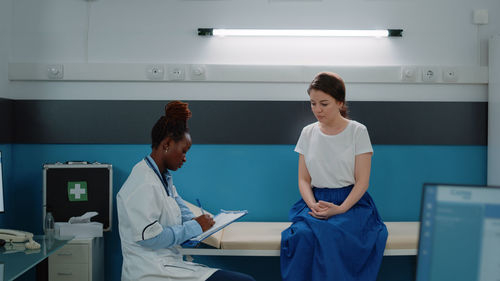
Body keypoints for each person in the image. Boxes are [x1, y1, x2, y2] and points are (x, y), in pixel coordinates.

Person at [117, 101, 256, 281]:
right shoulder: (143, 182)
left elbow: (181, 210)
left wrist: (198, 226)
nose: (184, 158)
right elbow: (150, 238)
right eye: (183, 151)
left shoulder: (163, 178)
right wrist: (195, 226)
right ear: (166, 144)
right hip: (150, 271)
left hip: (169, 265)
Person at [280, 72, 388, 281]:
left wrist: (340, 209)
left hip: (351, 204)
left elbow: (362, 181)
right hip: (316, 201)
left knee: (333, 234)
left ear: (339, 102)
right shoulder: (308, 133)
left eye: (324, 103)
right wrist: (312, 205)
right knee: (301, 236)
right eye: (312, 104)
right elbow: (303, 179)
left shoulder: (357, 131)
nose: (317, 110)